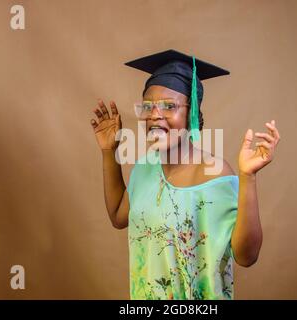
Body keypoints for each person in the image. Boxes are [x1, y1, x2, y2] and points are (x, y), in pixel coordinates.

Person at [90, 49, 281, 299]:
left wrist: (248, 177)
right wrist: (108, 151)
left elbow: (247, 257)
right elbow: (118, 216)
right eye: (148, 107)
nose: (156, 115)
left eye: (169, 106)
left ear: (192, 116)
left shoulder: (215, 175)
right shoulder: (145, 169)